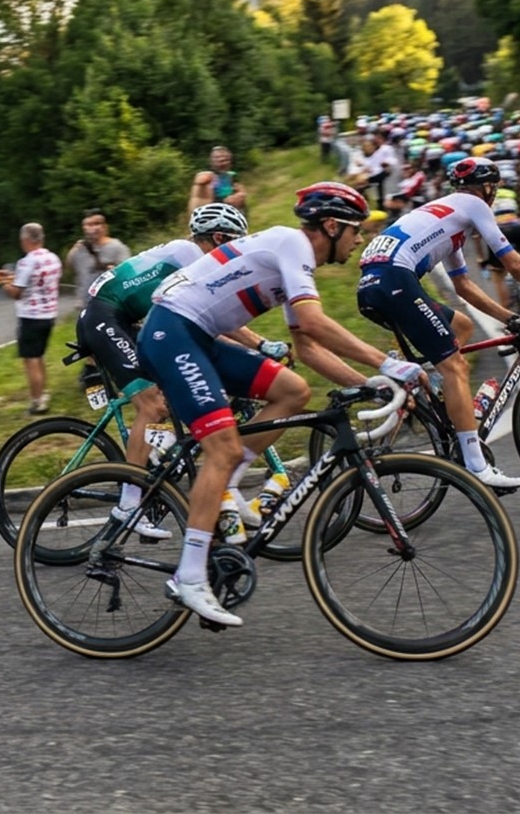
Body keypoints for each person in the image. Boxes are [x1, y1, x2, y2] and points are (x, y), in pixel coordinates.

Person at [138, 183, 425, 626]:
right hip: (172, 332)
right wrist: (389, 364)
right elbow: (314, 321)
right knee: (222, 448)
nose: (360, 239)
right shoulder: (293, 245)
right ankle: (189, 577)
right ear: (331, 226)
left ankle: (227, 483)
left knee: (293, 391)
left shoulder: (294, 258)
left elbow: (306, 347)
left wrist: (370, 384)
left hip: (195, 334)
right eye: (356, 230)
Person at [357, 157, 520, 489]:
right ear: (489, 188)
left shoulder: (449, 217)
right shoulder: (473, 204)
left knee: (462, 327)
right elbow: (514, 263)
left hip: (374, 285)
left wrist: (510, 319)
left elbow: (464, 286)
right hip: (394, 280)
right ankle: (476, 465)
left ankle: (427, 392)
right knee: (455, 366)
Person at [78, 204, 261, 528]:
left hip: (124, 320)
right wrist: (259, 345)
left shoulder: (192, 255)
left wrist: (250, 349)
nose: (236, 253)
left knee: (176, 381)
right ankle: (128, 506)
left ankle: (154, 451)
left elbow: (205, 321)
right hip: (104, 317)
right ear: (218, 238)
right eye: (234, 243)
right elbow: (214, 319)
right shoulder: (191, 256)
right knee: (152, 406)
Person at [0, 222, 62, 415]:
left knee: (31, 360)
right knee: (39, 357)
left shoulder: (26, 262)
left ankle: (37, 402)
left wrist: (4, 283)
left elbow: (17, 292)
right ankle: (43, 393)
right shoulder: (53, 258)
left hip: (31, 316)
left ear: (25, 240)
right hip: (49, 313)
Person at [63, 209, 131, 310]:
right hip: (85, 306)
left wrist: (115, 271)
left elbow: (128, 275)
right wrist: (73, 250)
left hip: (110, 305)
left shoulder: (117, 248)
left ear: (104, 227)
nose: (90, 228)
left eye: (95, 224)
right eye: (87, 225)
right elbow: (69, 267)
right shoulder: (80, 248)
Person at [188, 146, 245, 217]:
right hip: (214, 214)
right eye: (218, 159)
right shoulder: (207, 178)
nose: (222, 162)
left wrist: (239, 196)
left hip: (232, 215)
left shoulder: (232, 176)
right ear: (211, 162)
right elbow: (198, 201)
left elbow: (240, 193)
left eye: (226, 160)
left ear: (230, 162)